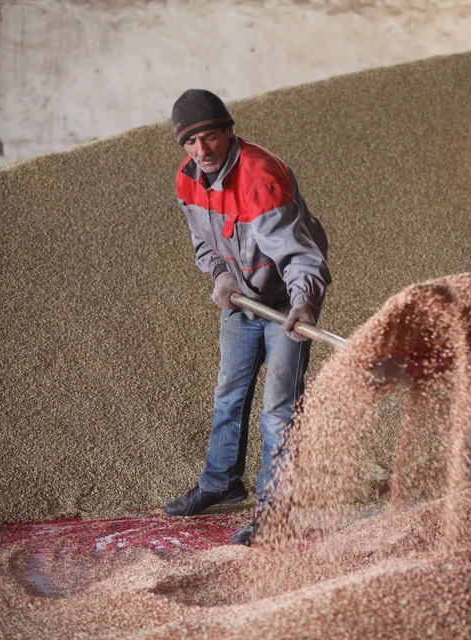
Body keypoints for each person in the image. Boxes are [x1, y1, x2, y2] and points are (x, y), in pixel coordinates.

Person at [163, 89, 331, 545]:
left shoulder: (260, 177)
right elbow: (204, 242)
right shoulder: (187, 179)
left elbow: (301, 256)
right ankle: (221, 483)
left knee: (278, 411)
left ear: (229, 131)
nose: (202, 150)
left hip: (284, 305)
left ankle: (275, 513)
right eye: (191, 142)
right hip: (240, 299)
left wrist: (303, 304)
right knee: (228, 394)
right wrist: (220, 274)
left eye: (211, 137)